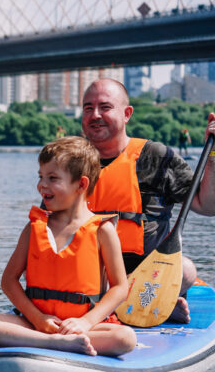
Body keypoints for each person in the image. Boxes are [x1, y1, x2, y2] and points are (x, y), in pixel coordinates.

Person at [0, 137, 136, 356]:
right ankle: (55, 343)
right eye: (41, 177)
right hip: (36, 323)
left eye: (52, 178)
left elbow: (120, 288)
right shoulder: (33, 228)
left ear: (81, 185)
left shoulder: (103, 231)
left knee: (124, 338)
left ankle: (43, 341)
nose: (42, 185)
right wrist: (39, 319)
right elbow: (9, 281)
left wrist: (85, 322)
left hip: (86, 326)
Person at [81, 78, 215, 324]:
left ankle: (151, 300)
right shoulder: (70, 160)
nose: (95, 115)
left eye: (105, 107)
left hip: (145, 274)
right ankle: (149, 305)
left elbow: (206, 206)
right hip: (90, 275)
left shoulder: (156, 157)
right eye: (88, 108)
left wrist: (213, 160)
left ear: (127, 114)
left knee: (185, 270)